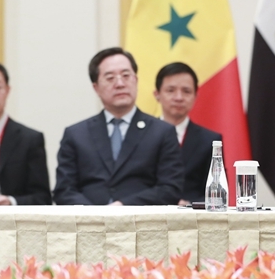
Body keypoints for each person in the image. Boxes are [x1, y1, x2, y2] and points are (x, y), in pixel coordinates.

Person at [53, 47, 184, 205]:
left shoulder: (162, 132)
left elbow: (170, 188)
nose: (120, 84)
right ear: (96, 88)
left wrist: (123, 206)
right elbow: (64, 190)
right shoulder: (76, 134)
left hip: (140, 218)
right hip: (89, 218)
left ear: (136, 80)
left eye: (126, 76)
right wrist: (94, 214)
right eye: (110, 78)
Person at [0, 61, 51, 205]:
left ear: (7, 90)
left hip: (12, 216)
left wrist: (11, 202)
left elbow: (42, 197)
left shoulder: (30, 139)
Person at [154, 63, 221, 204]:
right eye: (171, 90)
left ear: (196, 96)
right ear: (157, 94)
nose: (179, 97)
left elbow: (216, 193)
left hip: (193, 214)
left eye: (186, 91)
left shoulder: (210, 140)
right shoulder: (143, 136)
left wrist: (189, 205)